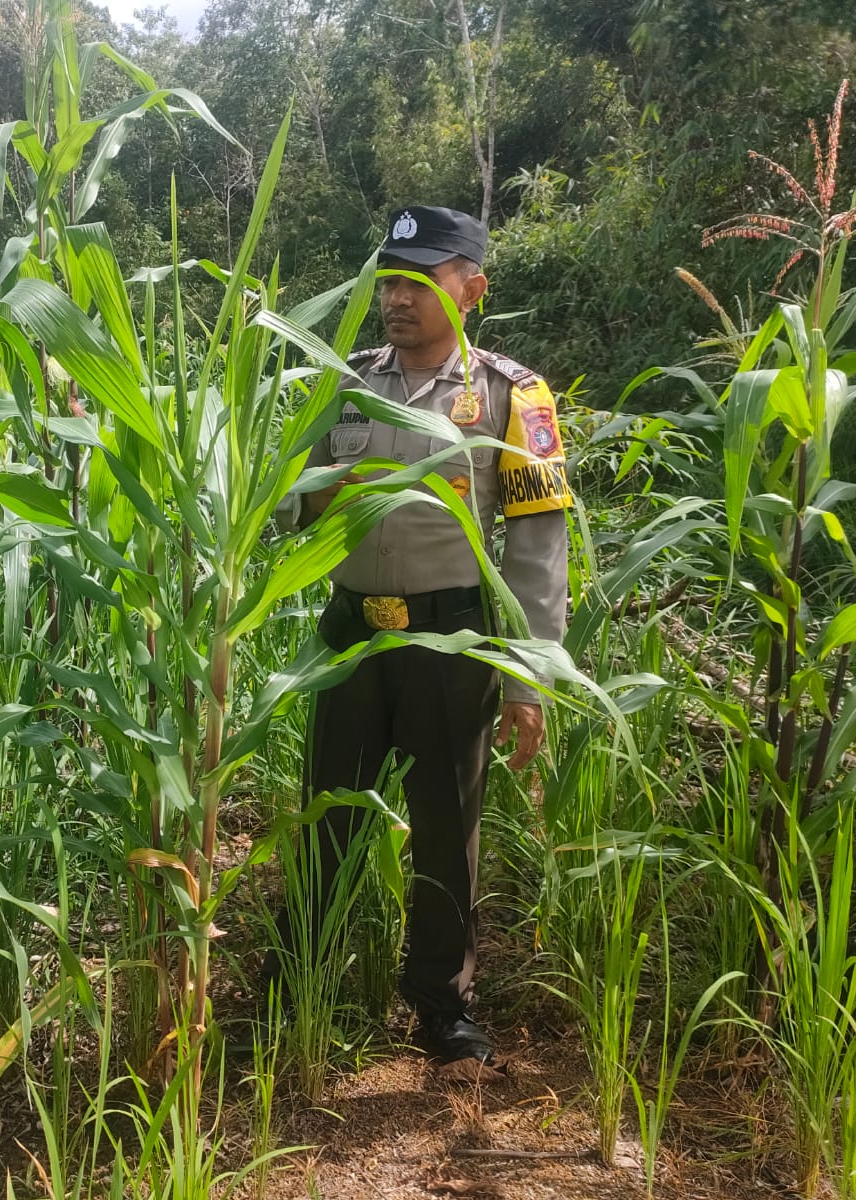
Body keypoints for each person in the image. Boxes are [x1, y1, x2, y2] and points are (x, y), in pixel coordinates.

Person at [271, 205, 572, 1070]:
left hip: (455, 641)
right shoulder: (344, 379)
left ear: (471, 287)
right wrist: (317, 490)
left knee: (446, 829)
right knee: (326, 817)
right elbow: (290, 499)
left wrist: (527, 676)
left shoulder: (514, 396)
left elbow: (539, 546)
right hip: (350, 637)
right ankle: (301, 984)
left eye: (419, 280)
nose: (396, 298)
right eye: (388, 281)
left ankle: (443, 1008)